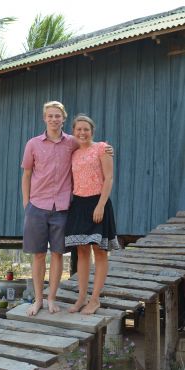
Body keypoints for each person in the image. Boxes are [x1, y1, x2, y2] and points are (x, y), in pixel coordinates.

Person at [21, 101, 113, 316]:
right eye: (50, 116)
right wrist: (27, 203)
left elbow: (94, 149)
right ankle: (39, 299)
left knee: (59, 253)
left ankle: (54, 298)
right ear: (44, 118)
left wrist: (106, 147)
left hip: (64, 206)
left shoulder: (75, 143)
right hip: (41, 205)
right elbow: (26, 175)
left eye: (58, 116)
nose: (54, 119)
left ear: (63, 119)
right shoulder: (33, 144)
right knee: (39, 255)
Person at [65, 114, 120, 315]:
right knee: (81, 251)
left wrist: (101, 205)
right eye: (78, 129)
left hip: (98, 202)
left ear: (92, 131)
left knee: (100, 251)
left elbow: (109, 178)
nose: (82, 132)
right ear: (73, 132)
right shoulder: (73, 153)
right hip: (78, 203)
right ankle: (81, 297)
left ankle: (95, 299)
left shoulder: (102, 148)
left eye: (86, 129)